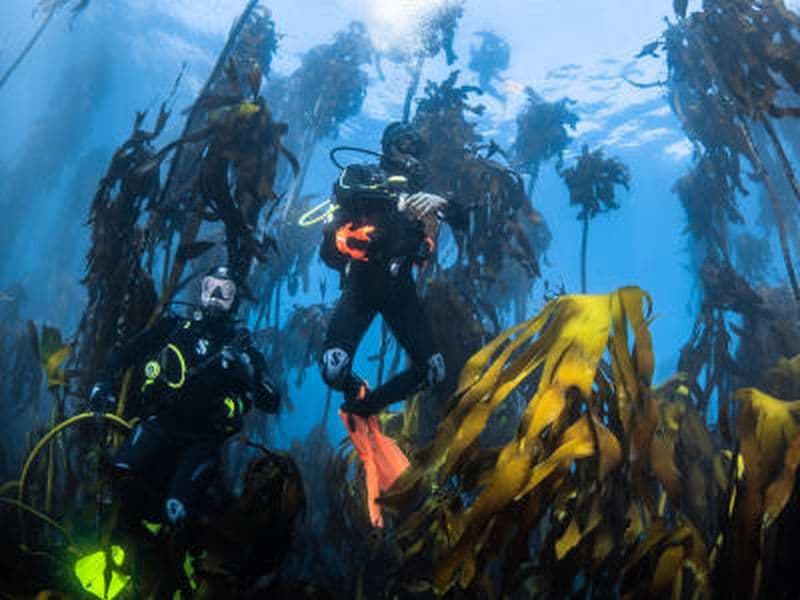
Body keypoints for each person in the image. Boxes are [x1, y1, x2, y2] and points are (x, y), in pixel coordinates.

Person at [89, 265, 280, 527]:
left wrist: (247, 367)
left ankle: (173, 543)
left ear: (236, 300)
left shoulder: (244, 351)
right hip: (160, 423)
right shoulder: (174, 328)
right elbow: (126, 353)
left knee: (176, 509)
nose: (215, 296)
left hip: (203, 442)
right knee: (119, 475)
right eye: (210, 287)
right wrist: (102, 384)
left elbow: (271, 401)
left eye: (225, 291)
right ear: (201, 291)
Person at [319, 121, 447, 419]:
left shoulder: (421, 196)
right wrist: (395, 200)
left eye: (416, 148)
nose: (411, 153)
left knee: (433, 370)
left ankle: (367, 408)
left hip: (401, 291)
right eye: (404, 144)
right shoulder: (361, 174)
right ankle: (354, 389)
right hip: (361, 287)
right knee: (333, 370)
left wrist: (433, 222)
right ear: (388, 146)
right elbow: (343, 192)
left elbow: (446, 225)